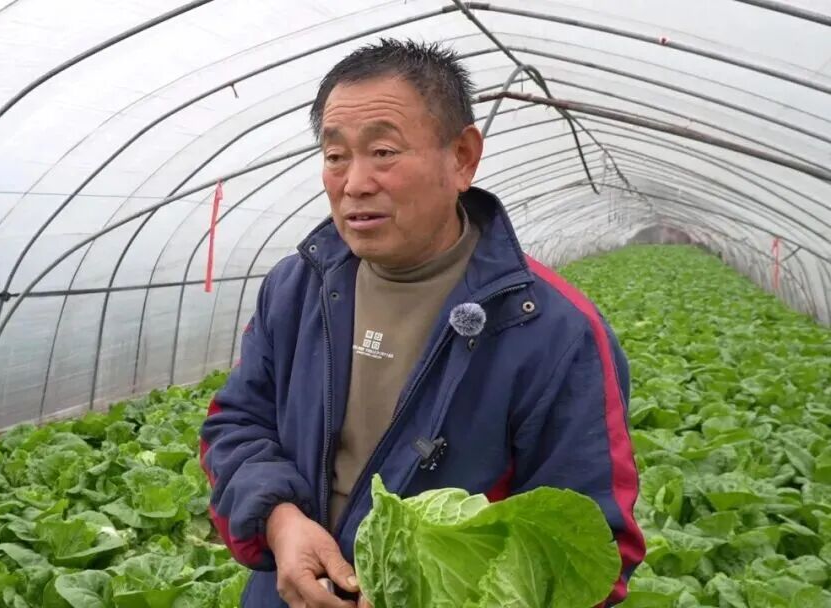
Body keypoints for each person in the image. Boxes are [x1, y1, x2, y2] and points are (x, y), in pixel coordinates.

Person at [199, 38, 645, 608]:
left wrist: (434, 593)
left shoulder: (553, 331)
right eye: (335, 156)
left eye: (383, 151)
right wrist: (280, 520)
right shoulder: (296, 289)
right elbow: (236, 424)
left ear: (462, 158)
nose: (355, 183)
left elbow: (590, 547)